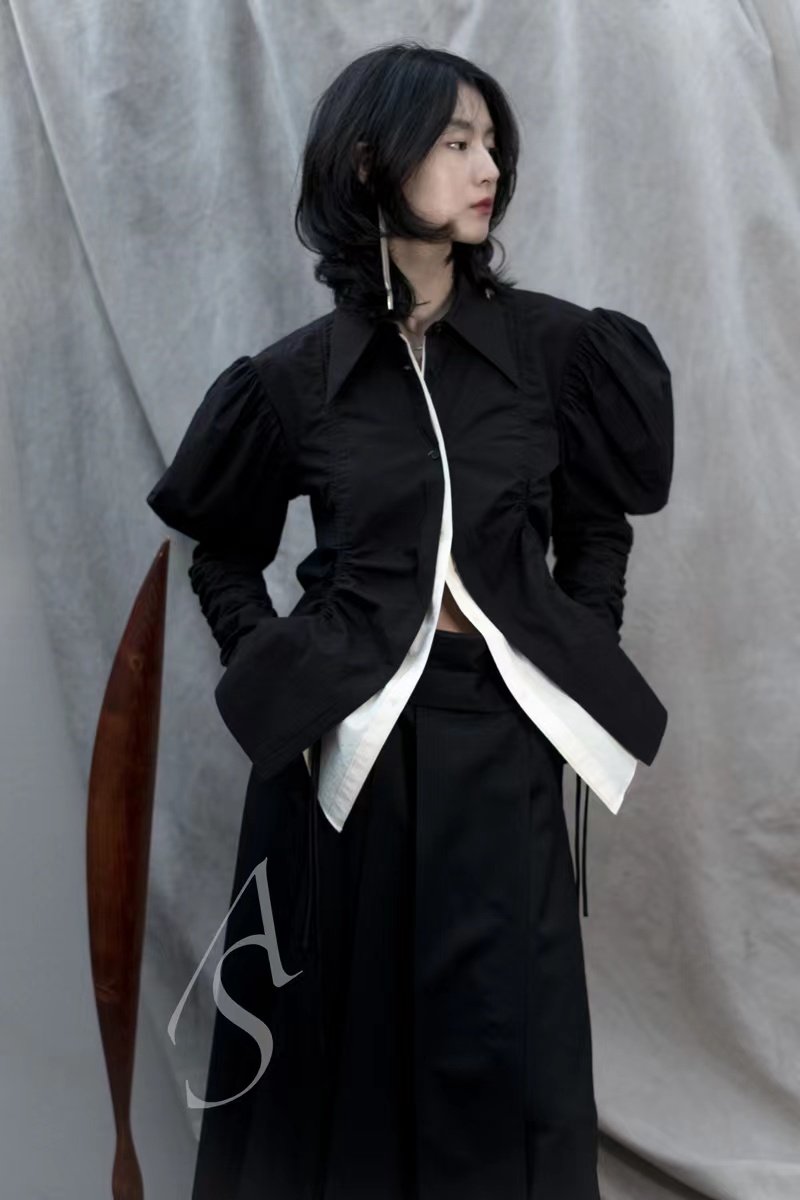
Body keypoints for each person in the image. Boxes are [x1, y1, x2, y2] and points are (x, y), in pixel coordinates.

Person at [147, 39, 674, 1200]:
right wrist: (281, 673)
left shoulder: (555, 352)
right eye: (454, 142)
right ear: (368, 162)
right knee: (340, 1055)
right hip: (344, 754)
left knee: (506, 1051)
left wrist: (574, 652)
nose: (487, 168)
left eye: (491, 144)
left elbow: (597, 525)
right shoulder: (294, 380)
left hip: (499, 739)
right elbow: (222, 548)